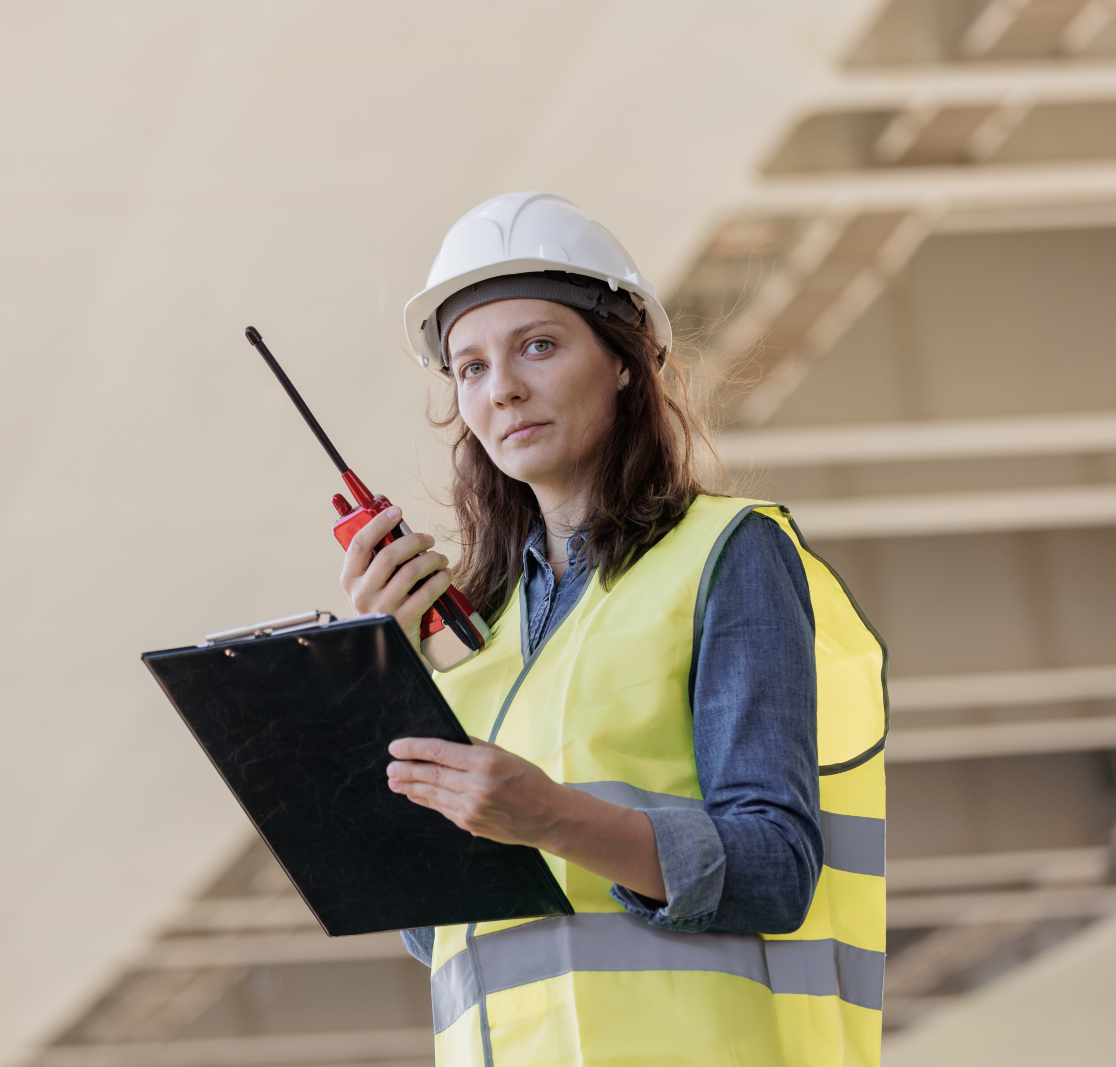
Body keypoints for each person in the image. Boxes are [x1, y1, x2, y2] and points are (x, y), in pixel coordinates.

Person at [340, 193, 888, 1067]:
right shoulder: (479, 640)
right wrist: (374, 683)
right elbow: (433, 934)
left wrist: (550, 816)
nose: (503, 387)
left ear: (626, 362)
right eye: (470, 367)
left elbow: (775, 866)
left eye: (539, 346)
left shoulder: (726, 554)